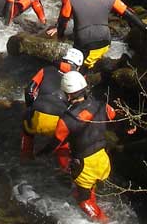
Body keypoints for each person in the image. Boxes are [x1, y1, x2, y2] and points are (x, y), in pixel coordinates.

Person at [46, 0, 147, 74]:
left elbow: (63, 21)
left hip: (84, 44)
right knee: (91, 60)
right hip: (105, 43)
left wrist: (60, 36)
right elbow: (129, 14)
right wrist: (146, 27)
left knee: (71, 70)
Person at [47, 71, 116, 222]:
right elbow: (116, 117)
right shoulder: (102, 106)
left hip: (85, 166)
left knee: (83, 201)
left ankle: (103, 220)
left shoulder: (67, 119)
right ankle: (92, 198)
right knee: (89, 188)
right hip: (103, 160)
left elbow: (56, 144)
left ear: (68, 95)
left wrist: (40, 154)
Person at [21, 47, 84, 168]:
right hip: (58, 125)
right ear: (78, 66)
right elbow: (80, 106)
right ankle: (65, 169)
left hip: (36, 119)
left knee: (27, 128)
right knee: (63, 144)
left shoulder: (45, 70)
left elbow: (29, 91)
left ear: (63, 59)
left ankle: (26, 157)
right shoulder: (79, 80)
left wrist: (30, 109)